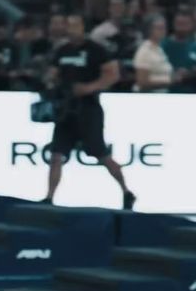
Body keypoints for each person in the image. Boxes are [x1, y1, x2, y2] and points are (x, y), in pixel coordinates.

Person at [43, 13, 135, 209]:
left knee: (100, 153)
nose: (71, 29)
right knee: (57, 154)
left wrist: (91, 87)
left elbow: (113, 74)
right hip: (66, 106)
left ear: (83, 27)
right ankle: (49, 197)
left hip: (88, 107)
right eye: (69, 25)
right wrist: (51, 81)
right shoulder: (62, 50)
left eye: (75, 25)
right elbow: (53, 73)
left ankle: (126, 191)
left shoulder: (96, 50)